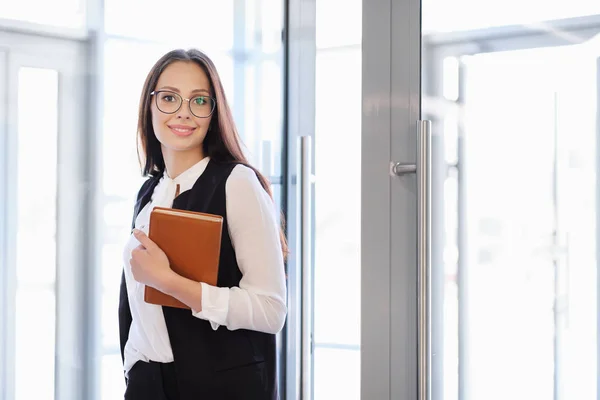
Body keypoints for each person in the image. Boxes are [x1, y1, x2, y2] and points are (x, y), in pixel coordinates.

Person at [118, 48, 288, 400]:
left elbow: (271, 311)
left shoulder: (236, 182)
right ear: (149, 106)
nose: (183, 112)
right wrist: (133, 367)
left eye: (199, 100)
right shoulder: (149, 191)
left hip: (217, 387)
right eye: (168, 98)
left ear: (214, 112)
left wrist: (168, 282)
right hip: (147, 384)